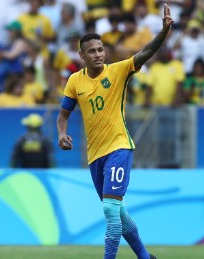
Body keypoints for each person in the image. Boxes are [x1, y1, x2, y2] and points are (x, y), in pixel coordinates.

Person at [56, 4, 174, 259]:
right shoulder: (75, 81)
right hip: (95, 155)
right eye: (92, 51)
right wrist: (61, 133)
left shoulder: (118, 71)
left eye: (101, 49)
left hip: (119, 147)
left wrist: (163, 32)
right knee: (117, 211)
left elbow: (146, 51)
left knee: (110, 210)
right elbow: (63, 115)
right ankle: (145, 256)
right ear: (82, 56)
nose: (98, 54)